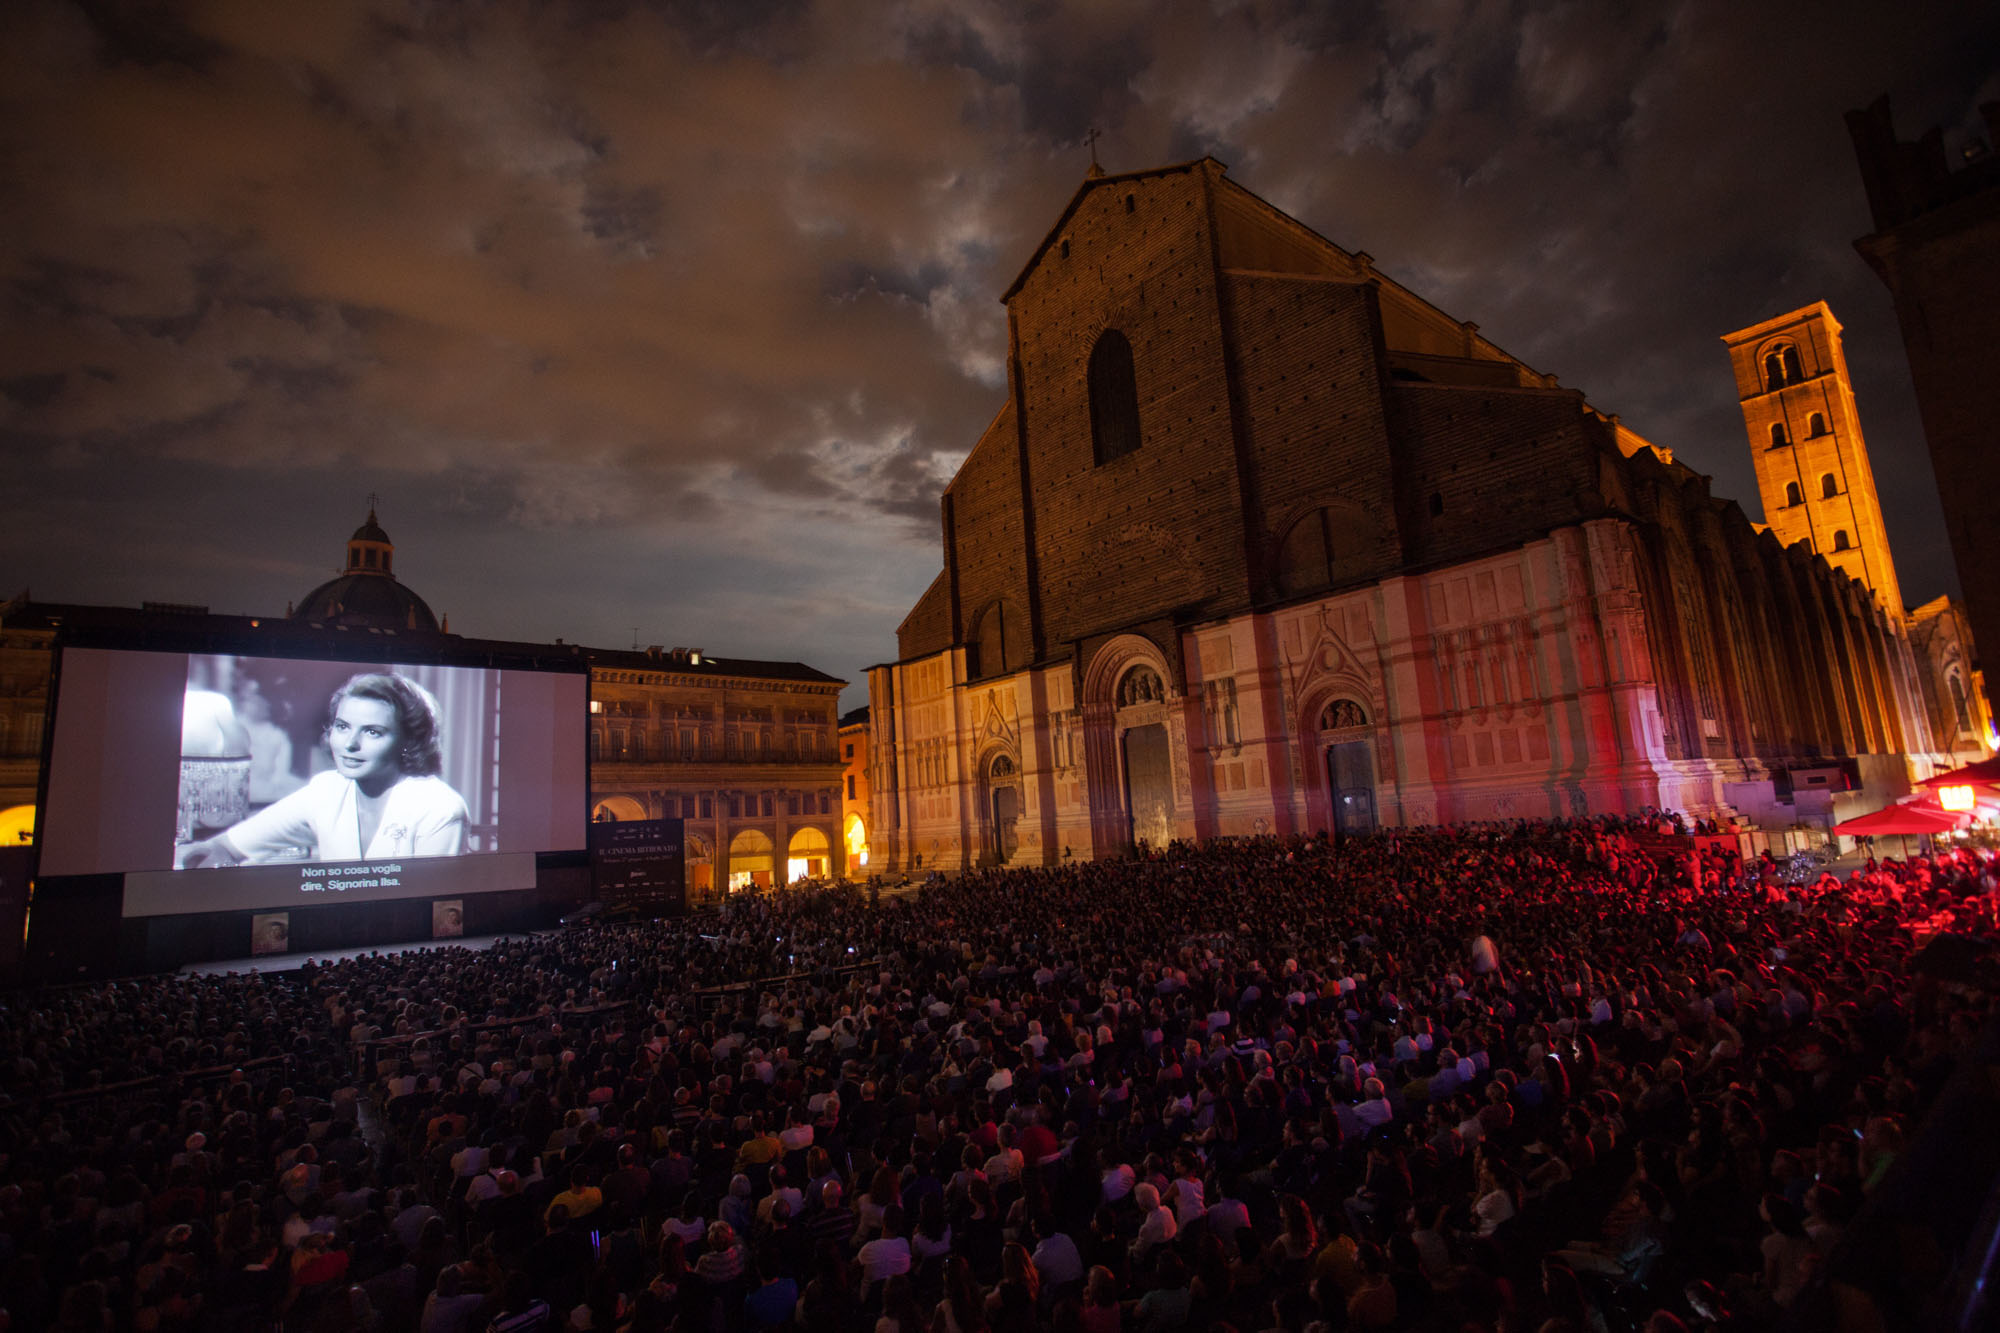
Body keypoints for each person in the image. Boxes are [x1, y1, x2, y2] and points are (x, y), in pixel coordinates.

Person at [180, 673, 468, 865]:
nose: (350, 744)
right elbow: (227, 846)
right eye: (342, 727)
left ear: (408, 741)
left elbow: (430, 911)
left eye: (373, 732)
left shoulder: (438, 807)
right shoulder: (326, 790)